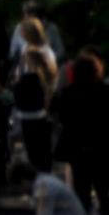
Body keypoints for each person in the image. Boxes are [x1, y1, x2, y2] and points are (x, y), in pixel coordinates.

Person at [52, 52, 109, 209]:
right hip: (101, 147)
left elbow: (62, 118)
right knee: (104, 190)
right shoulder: (104, 91)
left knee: (81, 192)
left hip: (77, 148)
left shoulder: (68, 93)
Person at [13, 47, 57, 174]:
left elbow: (17, 96)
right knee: (44, 151)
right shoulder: (46, 77)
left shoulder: (25, 77)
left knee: (33, 151)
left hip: (27, 117)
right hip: (41, 116)